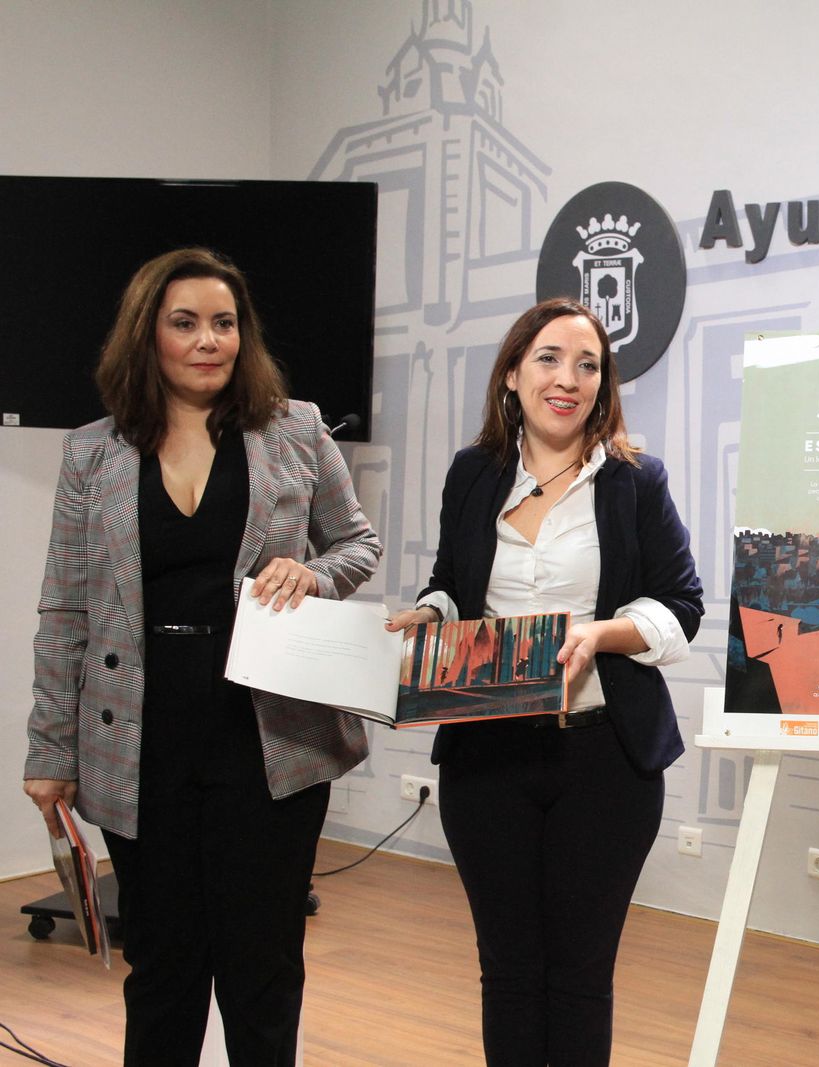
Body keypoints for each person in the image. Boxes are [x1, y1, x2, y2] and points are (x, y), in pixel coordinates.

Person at [21, 247, 380, 1066]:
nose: (208, 339)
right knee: (163, 965)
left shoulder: (294, 427)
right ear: (148, 335)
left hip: (269, 732)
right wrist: (49, 749)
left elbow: (358, 543)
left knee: (263, 967)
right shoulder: (92, 452)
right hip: (137, 738)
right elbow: (65, 609)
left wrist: (312, 571)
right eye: (185, 323)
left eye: (224, 322)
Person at [386, 297, 703, 1066]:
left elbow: (682, 605)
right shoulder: (472, 474)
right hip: (485, 757)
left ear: (604, 383)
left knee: (581, 976)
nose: (569, 378)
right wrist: (431, 614)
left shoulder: (635, 480)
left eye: (588, 364)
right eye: (550, 359)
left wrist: (604, 632)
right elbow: (452, 584)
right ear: (512, 375)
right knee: (509, 970)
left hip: (604, 760)